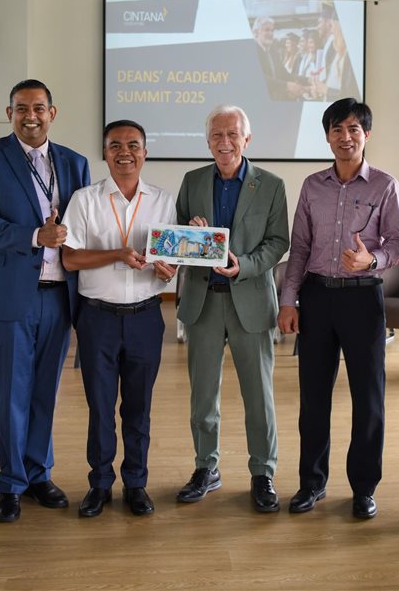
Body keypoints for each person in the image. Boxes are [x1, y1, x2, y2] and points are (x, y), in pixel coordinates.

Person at [0, 79, 91, 523]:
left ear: (52, 113)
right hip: (8, 295)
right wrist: (37, 235)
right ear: (9, 113)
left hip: (59, 295)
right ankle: (10, 483)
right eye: (21, 108)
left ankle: (39, 474)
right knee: (12, 394)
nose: (30, 116)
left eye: (38, 108)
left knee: (44, 393)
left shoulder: (75, 162)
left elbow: (86, 226)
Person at [277, 98, 399, 519]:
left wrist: (372, 260)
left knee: (368, 398)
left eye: (353, 129)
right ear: (327, 136)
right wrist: (288, 300)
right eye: (337, 129)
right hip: (317, 297)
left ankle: (364, 488)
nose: (345, 137)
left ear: (366, 134)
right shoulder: (312, 186)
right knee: (314, 398)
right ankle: (311, 483)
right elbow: (299, 247)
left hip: (363, 298)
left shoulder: (385, 185)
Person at [174, 105, 290, 513]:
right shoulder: (192, 181)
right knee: (203, 396)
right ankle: (206, 467)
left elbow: (278, 242)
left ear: (247, 139)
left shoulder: (271, 185)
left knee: (259, 397)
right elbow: (178, 238)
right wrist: (192, 235)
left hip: (251, 301)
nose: (225, 142)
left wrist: (245, 265)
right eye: (217, 135)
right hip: (203, 302)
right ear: (208, 141)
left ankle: (263, 472)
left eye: (232, 135)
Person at [60, 120, 177, 518]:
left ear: (145, 152)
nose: (124, 152)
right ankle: (99, 484)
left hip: (146, 317)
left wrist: (169, 270)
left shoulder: (163, 200)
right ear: (105, 152)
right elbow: (70, 258)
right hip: (98, 319)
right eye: (115, 145)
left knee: (139, 408)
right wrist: (117, 254)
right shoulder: (84, 200)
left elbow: (170, 259)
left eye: (133, 145)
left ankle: (136, 484)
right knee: (100, 407)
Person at [252, 16, 306, 101]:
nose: (270, 33)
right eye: (267, 30)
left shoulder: (273, 52)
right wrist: (287, 86)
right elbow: (258, 78)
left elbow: (284, 74)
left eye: (272, 30)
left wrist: (306, 81)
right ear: (256, 32)